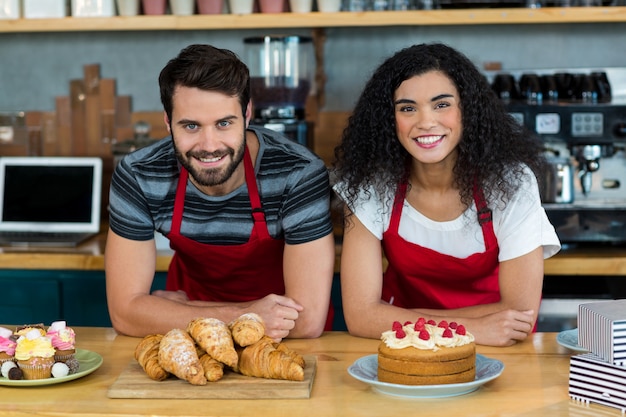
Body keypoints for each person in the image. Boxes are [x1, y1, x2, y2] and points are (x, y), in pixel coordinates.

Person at [332, 43, 561, 347]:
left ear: (468, 109)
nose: (426, 122)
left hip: (498, 349)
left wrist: (401, 319)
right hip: (406, 349)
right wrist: (471, 328)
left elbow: (519, 314)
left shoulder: (511, 184)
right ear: (389, 119)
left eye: (441, 104)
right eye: (407, 108)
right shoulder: (371, 186)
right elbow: (361, 316)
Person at [105, 44, 335, 341]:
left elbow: (306, 322)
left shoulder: (298, 173)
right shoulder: (140, 175)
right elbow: (125, 314)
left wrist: (178, 311)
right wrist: (245, 315)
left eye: (224, 123)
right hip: (190, 342)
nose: (209, 145)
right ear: (167, 122)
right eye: (190, 126)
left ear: (248, 113)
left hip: (283, 344)